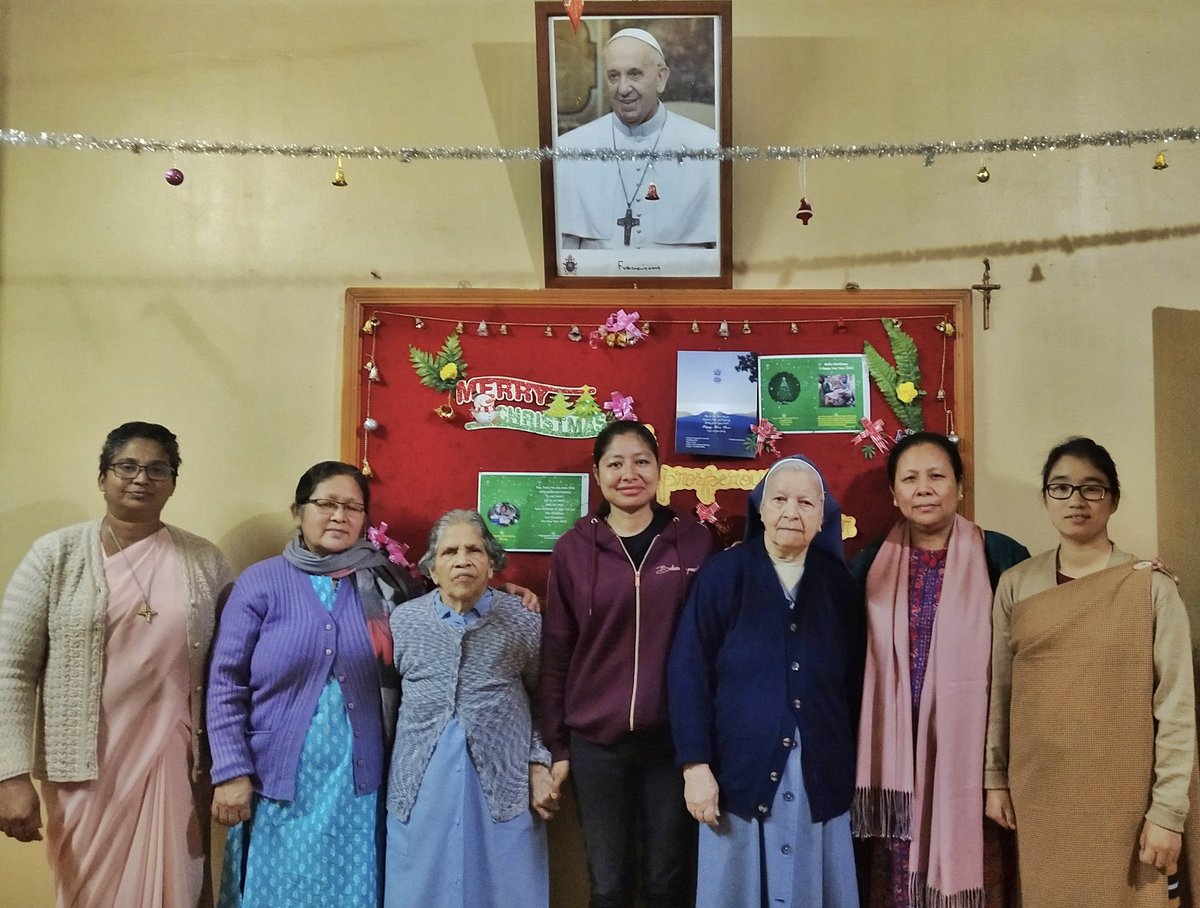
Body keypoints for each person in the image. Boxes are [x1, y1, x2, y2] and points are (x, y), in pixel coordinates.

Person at [0, 421, 232, 908]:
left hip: (172, 758)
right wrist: (11, 774)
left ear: (172, 481)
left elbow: (228, 670)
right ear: (102, 477)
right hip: (81, 766)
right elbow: (12, 670)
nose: (141, 478)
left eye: (157, 469)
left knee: (175, 888)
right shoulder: (55, 555)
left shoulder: (205, 561)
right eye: (126, 466)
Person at [984, 436, 1200, 906]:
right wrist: (995, 777)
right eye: (1060, 487)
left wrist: (1168, 811)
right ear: (1045, 498)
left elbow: (1177, 705)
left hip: (1127, 796)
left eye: (1092, 488)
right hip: (1041, 792)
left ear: (1113, 499)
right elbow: (1000, 690)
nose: (1075, 500)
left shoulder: (1151, 587)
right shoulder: (1017, 585)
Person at [206, 461, 423, 908]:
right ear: (298, 510)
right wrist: (231, 771)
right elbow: (226, 683)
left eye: (352, 507)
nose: (339, 516)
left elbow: (444, 617)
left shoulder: (389, 585)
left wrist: (508, 596)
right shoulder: (261, 583)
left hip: (359, 783)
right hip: (274, 783)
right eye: (326, 504)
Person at [668, 455, 865, 908]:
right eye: (779, 500)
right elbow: (688, 671)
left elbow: (854, 682)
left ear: (822, 516)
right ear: (760, 509)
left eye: (805, 503)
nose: (791, 512)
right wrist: (695, 767)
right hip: (737, 774)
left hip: (820, 775)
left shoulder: (838, 584)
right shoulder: (724, 574)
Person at [539, 419, 714, 908]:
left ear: (659, 470)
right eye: (615, 464)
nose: (628, 473)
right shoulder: (573, 551)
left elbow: (709, 648)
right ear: (597, 475)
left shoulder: (696, 543)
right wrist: (557, 745)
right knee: (610, 885)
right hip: (595, 743)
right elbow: (556, 651)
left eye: (641, 461)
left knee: (668, 882)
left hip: (672, 741)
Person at [850, 431, 1028, 907]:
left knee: (974, 868)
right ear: (894, 494)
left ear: (960, 487)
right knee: (898, 882)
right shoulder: (868, 565)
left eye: (936, 476)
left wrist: (1130, 578)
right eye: (909, 478)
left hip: (971, 756)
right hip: (896, 756)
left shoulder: (1003, 557)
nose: (923, 488)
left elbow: (1051, 624)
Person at [384, 510, 549, 908]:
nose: (462, 560)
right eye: (450, 552)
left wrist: (539, 760)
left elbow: (547, 698)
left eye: (474, 550)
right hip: (421, 785)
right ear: (431, 569)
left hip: (502, 782)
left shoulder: (523, 621)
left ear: (492, 563)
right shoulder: (403, 622)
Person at [554, 27, 719, 252]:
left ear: (661, 78)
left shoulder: (707, 146)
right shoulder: (570, 149)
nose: (623, 88)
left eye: (634, 74)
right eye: (614, 76)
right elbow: (565, 257)